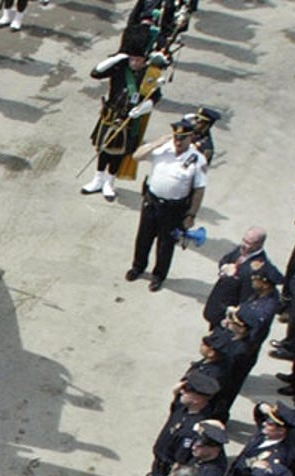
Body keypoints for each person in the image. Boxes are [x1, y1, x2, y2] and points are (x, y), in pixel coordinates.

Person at [125, 118, 209, 292]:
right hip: (152, 201)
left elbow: (199, 190)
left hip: (174, 208)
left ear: (190, 137)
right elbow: (136, 156)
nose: (178, 142)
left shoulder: (197, 159)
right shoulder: (163, 148)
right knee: (143, 238)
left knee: (166, 244)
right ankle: (138, 267)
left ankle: (158, 275)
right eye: (176, 138)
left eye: (183, 139)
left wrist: (191, 215)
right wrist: (156, 143)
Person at [81, 26, 156, 203]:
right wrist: (117, 58)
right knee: (104, 149)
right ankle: (97, 179)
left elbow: (155, 98)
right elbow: (96, 73)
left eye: (139, 59)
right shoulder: (120, 66)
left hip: (129, 120)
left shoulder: (149, 74)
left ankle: (109, 182)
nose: (135, 63)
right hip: (110, 115)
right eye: (132, 59)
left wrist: (142, 109)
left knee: (118, 154)